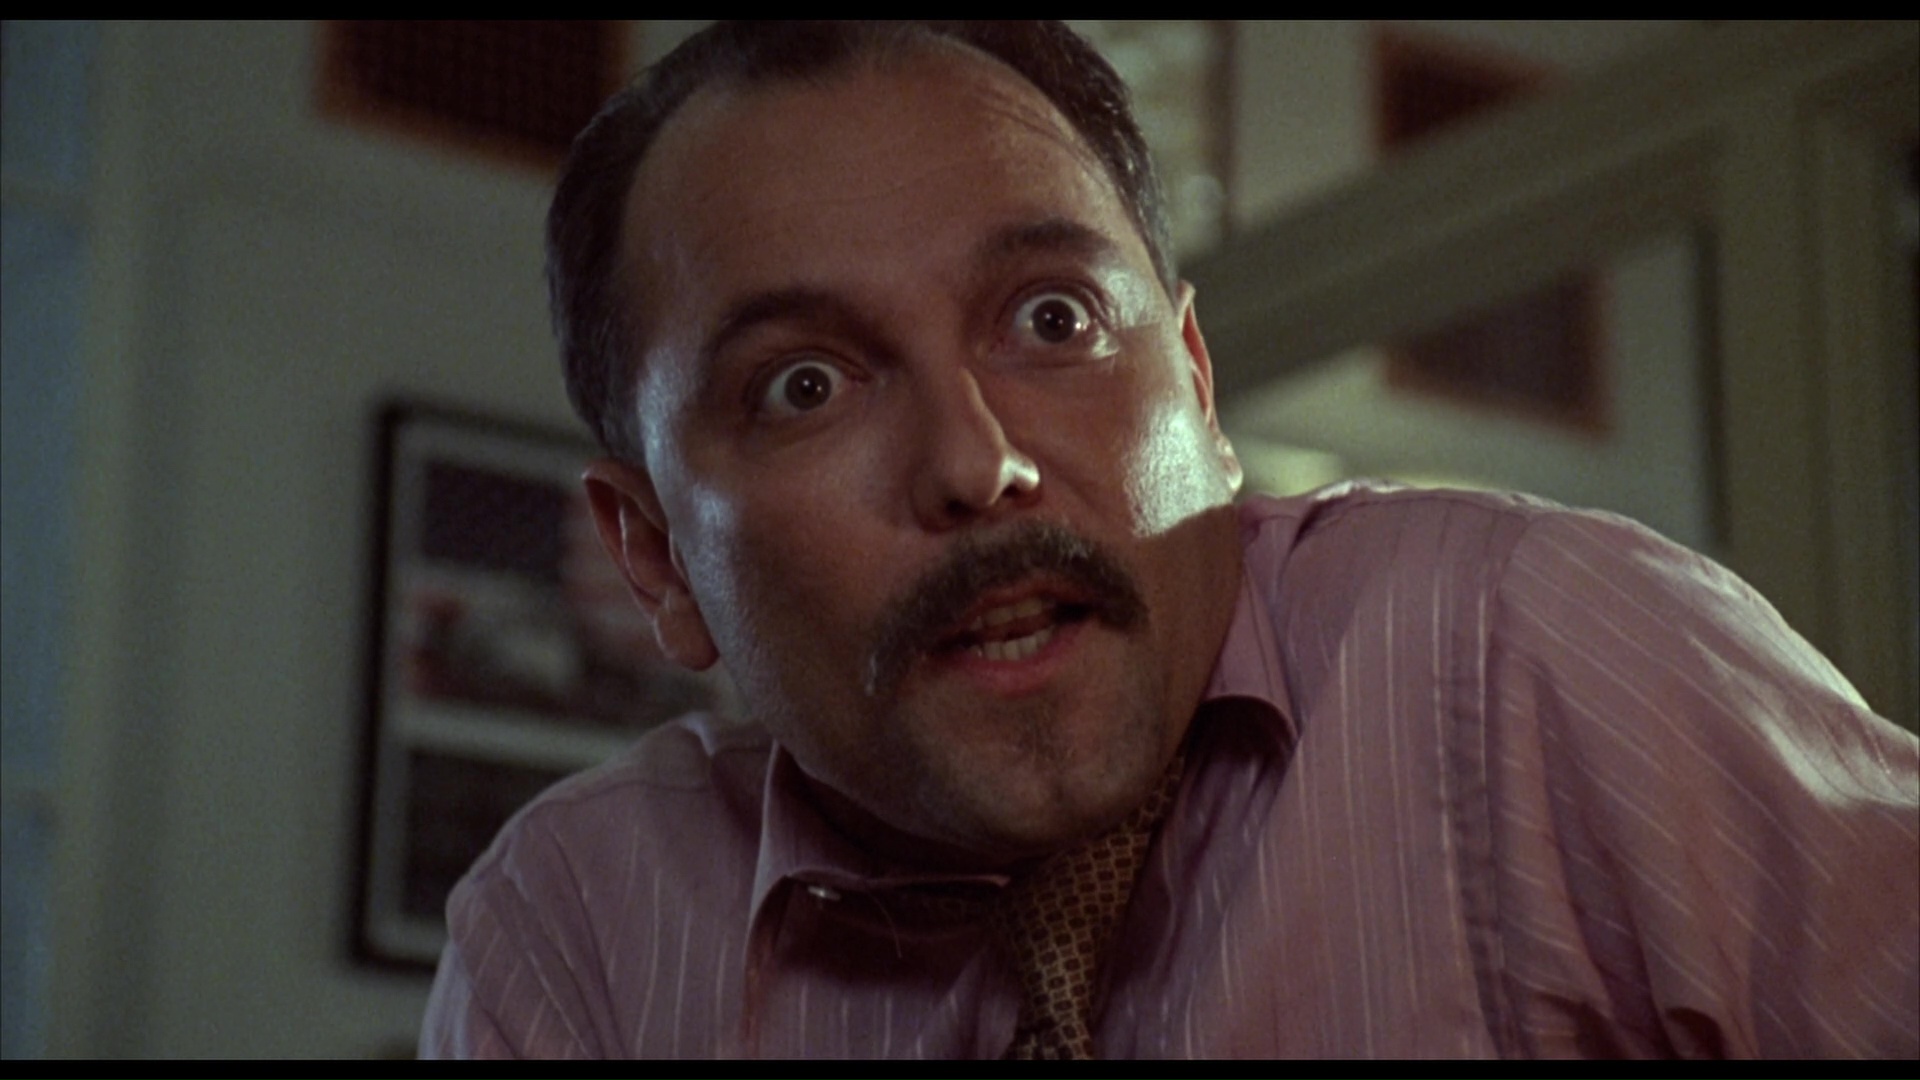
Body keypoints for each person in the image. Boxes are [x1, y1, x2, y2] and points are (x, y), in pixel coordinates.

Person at [419, 22, 1919, 1058]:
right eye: (802, 386)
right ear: (654, 557)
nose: (978, 463)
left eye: (1053, 318)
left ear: (1196, 388)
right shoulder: (576, 940)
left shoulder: (1532, 654)